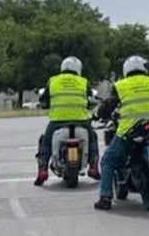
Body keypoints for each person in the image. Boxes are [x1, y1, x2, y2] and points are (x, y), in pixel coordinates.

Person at [93, 55, 149, 210]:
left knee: (107, 161)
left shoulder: (121, 85)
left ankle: (105, 198)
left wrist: (99, 113)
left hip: (131, 131)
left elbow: (108, 106)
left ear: (126, 70)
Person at [34, 56, 100, 186]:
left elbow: (44, 99)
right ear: (78, 69)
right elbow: (91, 99)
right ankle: (93, 167)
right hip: (81, 121)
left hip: (58, 121)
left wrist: (45, 104)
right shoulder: (83, 82)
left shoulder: (53, 81)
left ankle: (42, 169)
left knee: (45, 141)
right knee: (93, 137)